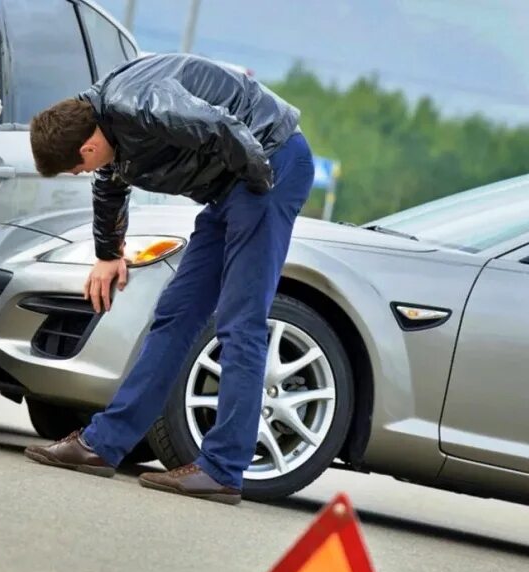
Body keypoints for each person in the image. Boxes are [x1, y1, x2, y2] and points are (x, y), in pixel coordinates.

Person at [23, 53, 315, 505]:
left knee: (241, 321)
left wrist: (258, 193)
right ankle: (103, 445)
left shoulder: (143, 106)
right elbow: (110, 181)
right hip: (231, 184)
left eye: (75, 168)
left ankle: (222, 469)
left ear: (86, 147)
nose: (80, 174)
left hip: (267, 166)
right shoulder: (101, 122)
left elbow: (223, 127)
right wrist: (107, 254)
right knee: (175, 314)